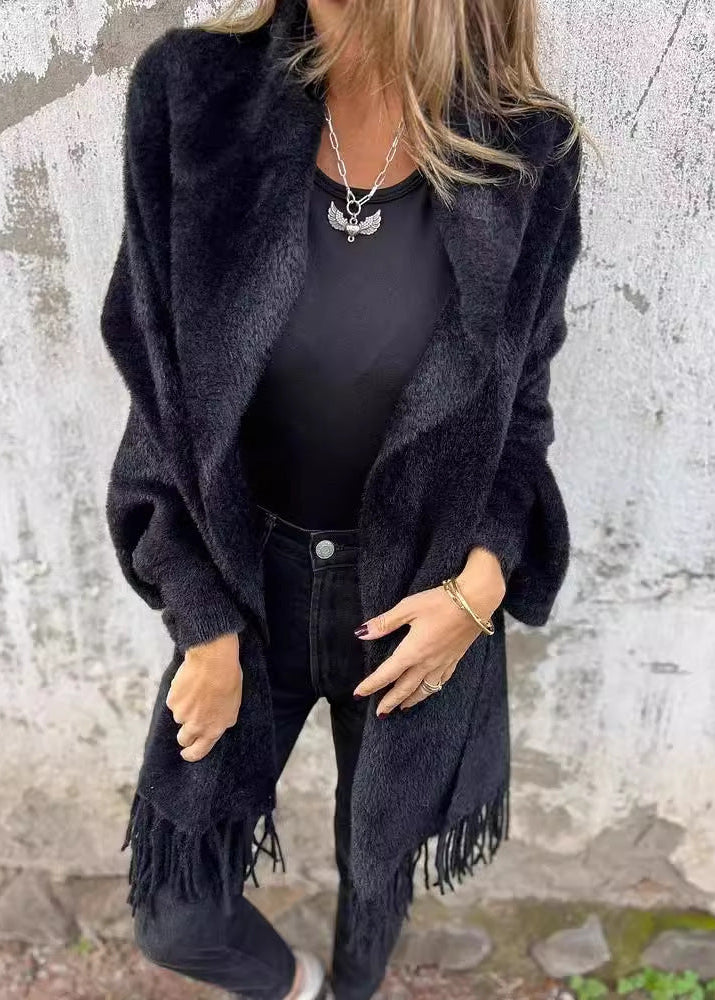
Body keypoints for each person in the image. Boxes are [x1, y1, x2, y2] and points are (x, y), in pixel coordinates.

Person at [100, 0, 591, 997]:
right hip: (249, 586)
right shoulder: (194, 97)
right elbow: (161, 395)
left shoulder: (527, 152)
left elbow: (518, 415)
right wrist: (200, 621)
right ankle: (302, 987)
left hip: (419, 595)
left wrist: (477, 590)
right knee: (177, 913)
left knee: (377, 871)